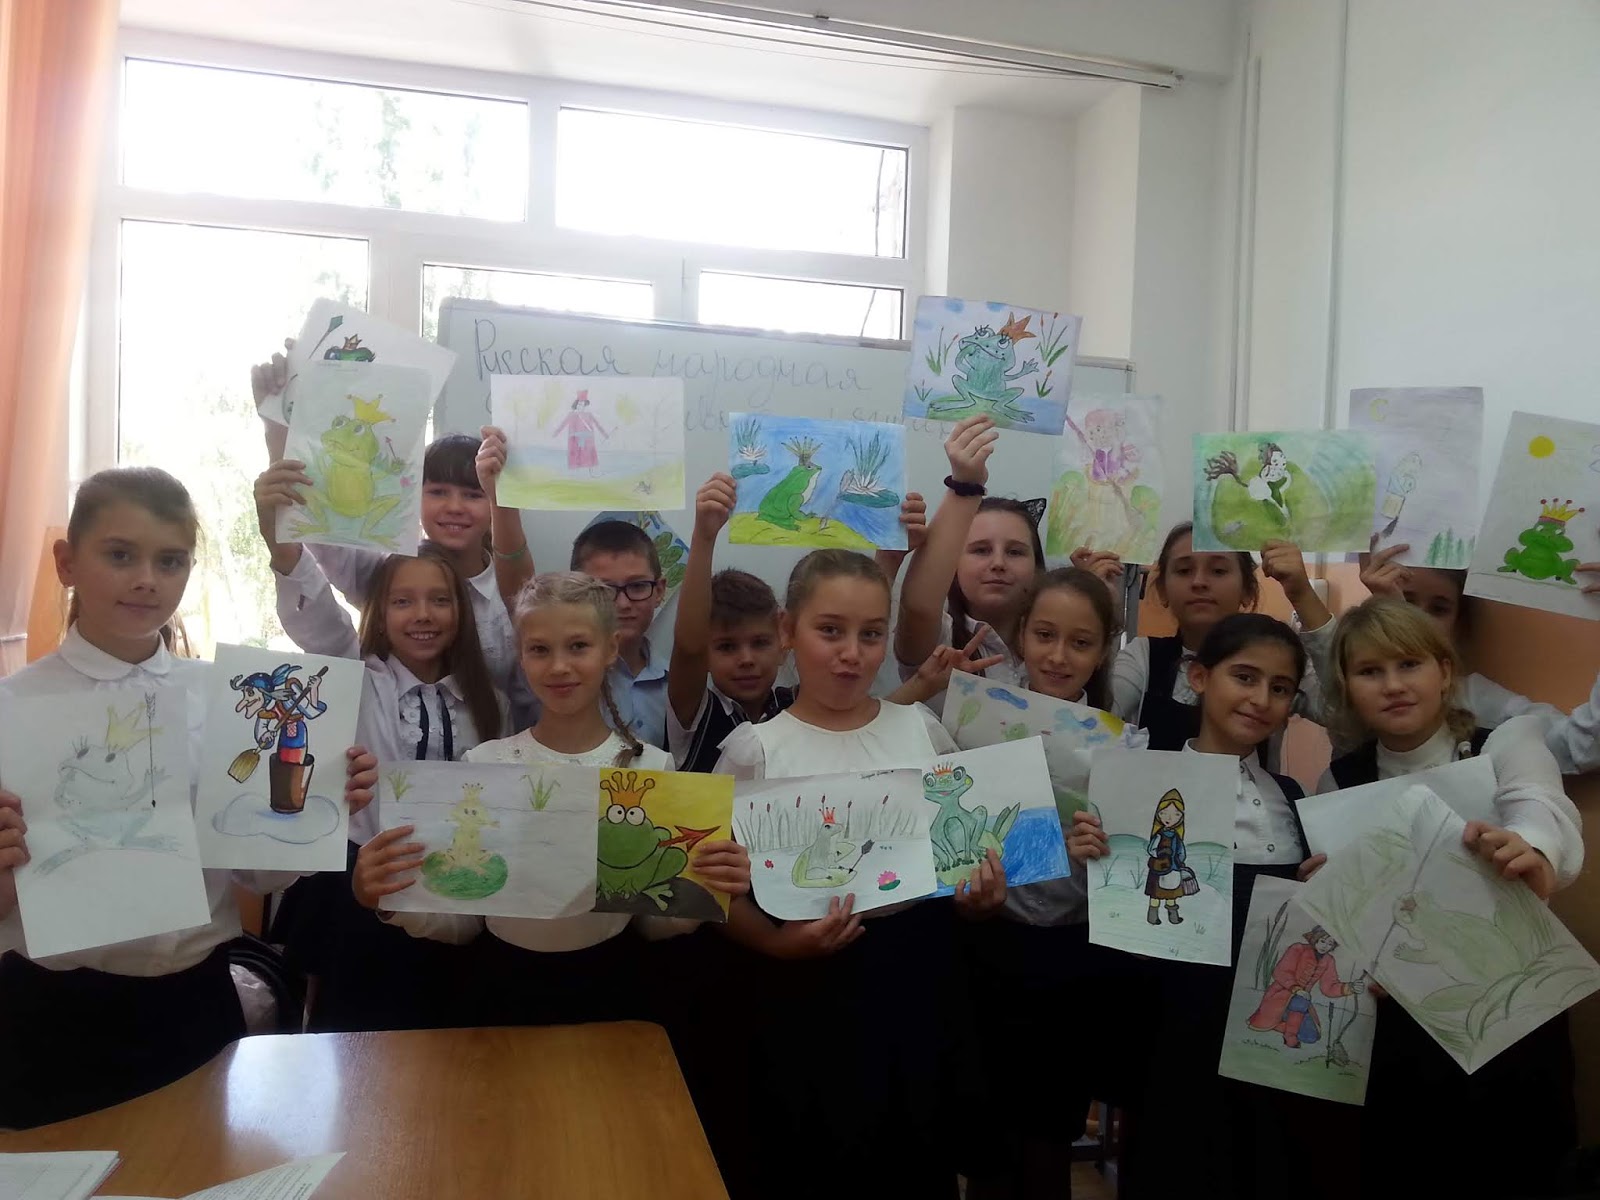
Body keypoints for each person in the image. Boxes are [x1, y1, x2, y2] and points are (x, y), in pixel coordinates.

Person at [0, 467, 377, 1128]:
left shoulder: (229, 699)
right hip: (55, 1012)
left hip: (197, 1002)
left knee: (205, 1167)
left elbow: (259, 873)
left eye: (170, 561)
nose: (147, 579)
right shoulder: (12, 709)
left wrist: (314, 808)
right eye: (121, 555)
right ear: (67, 562)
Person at [716, 549, 1006, 1200]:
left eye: (871, 634)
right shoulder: (753, 752)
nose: (851, 653)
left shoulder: (921, 731)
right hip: (804, 988)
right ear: (788, 630)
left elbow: (961, 865)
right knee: (814, 1157)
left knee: (913, 1159)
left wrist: (979, 898)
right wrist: (776, 944)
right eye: (830, 630)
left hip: (915, 980)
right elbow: (714, 891)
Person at [353, 571, 748, 1028]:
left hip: (614, 990)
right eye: (539, 649)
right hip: (499, 991)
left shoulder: (651, 769)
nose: (559, 666)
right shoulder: (485, 765)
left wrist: (703, 890)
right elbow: (466, 923)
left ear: (610, 648)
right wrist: (392, 900)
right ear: (521, 655)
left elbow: (649, 923)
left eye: (578, 646)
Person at [1313, 596, 1583, 1196]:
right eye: (1370, 671)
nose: (1393, 685)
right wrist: (1327, 893)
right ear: (1347, 688)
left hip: (1514, 1024)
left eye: (1409, 664)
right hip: (1400, 1035)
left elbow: (1541, 808)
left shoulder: (1504, 742)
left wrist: (1531, 849)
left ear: (1443, 671)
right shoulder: (1340, 780)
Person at [1071, 613, 1315, 1198]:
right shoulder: (1138, 786)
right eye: (1245, 677)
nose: (1260, 699)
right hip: (1169, 1030)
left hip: (1260, 1036)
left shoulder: (1293, 798)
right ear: (1199, 678)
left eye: (1280, 688)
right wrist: (1091, 858)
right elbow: (1118, 917)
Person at [260, 466, 506, 1030]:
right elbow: (315, 613)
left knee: (452, 1040)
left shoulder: (488, 701)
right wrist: (282, 540)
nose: (422, 615)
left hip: (459, 890)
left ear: (461, 611)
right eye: (402, 601)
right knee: (359, 1044)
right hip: (363, 888)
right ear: (380, 610)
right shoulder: (353, 677)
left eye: (439, 601)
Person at [1358, 538, 1600, 773]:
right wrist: (1380, 620)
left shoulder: (1475, 700)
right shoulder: (1356, 690)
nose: (1419, 621)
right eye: (1407, 604)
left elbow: (1573, 745)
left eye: (1439, 609)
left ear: (1458, 622)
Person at [1109, 522, 1333, 760]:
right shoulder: (1143, 657)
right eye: (1184, 570)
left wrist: (1303, 596)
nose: (1199, 582)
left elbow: (1341, 714)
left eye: (1218, 571)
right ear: (1163, 590)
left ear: (1248, 590)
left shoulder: (1278, 662)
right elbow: (1094, 716)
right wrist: (1097, 609)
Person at [894, 415, 1043, 691]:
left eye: (1015, 552)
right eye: (981, 550)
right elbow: (918, 606)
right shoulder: (940, 641)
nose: (998, 563)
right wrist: (966, 485)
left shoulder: (1056, 646)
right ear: (953, 565)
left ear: (1037, 567)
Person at [1247, 925, 1365, 1049]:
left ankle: (1279, 1023)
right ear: (1315, 939)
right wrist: (1296, 989)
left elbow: (1329, 987)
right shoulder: (1298, 949)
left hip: (1302, 1002)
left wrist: (1350, 988)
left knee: (1310, 1037)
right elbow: (1280, 971)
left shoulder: (1328, 960)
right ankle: (1289, 1036)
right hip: (1280, 995)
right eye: (1322, 941)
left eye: (1330, 944)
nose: (1325, 946)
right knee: (1301, 1000)